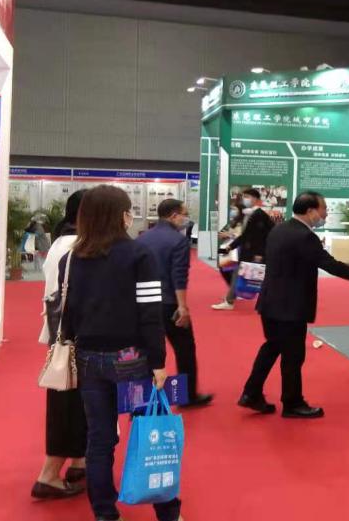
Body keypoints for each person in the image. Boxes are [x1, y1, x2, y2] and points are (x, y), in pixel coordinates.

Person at [59, 185, 184, 521]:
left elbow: (67, 312)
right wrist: (158, 361)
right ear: (122, 216)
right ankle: (167, 511)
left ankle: (104, 512)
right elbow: (150, 313)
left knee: (99, 439)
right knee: (152, 429)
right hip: (132, 360)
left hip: (88, 357)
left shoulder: (71, 258)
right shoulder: (140, 255)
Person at [239, 191, 349, 418]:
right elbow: (332, 266)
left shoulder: (279, 230)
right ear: (310, 211)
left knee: (271, 347)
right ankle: (293, 403)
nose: (326, 213)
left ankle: (251, 393)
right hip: (290, 307)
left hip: (270, 302)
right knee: (293, 356)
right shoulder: (305, 237)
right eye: (324, 208)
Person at [33, 190, 87, 500]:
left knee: (74, 402)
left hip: (62, 334)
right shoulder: (76, 244)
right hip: (71, 335)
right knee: (68, 404)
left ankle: (79, 460)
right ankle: (49, 474)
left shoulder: (61, 240)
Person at [138, 198, 213, 408]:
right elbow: (179, 275)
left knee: (146, 350)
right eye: (184, 214)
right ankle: (186, 395)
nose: (186, 218)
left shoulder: (142, 238)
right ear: (173, 215)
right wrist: (183, 306)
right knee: (184, 348)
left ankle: (143, 398)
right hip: (169, 303)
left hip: (144, 302)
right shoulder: (178, 241)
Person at [212, 188, 275, 311]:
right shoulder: (250, 214)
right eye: (244, 197)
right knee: (240, 275)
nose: (244, 199)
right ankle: (230, 300)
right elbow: (246, 235)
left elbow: (261, 236)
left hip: (254, 253)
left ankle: (230, 301)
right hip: (248, 252)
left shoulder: (259, 215)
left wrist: (259, 253)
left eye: (247, 197)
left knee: (259, 279)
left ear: (255, 199)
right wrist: (231, 246)